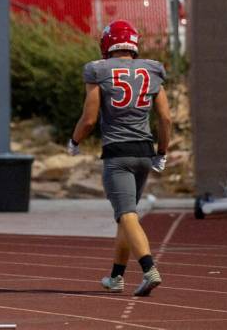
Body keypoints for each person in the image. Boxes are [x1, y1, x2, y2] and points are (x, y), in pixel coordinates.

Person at [67, 19, 171, 297]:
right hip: (144, 153)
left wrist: (74, 141)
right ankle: (116, 276)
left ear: (107, 44)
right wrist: (162, 152)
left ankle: (150, 269)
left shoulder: (98, 70)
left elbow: (89, 118)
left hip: (118, 153)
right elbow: (165, 118)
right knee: (127, 218)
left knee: (126, 214)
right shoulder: (152, 70)